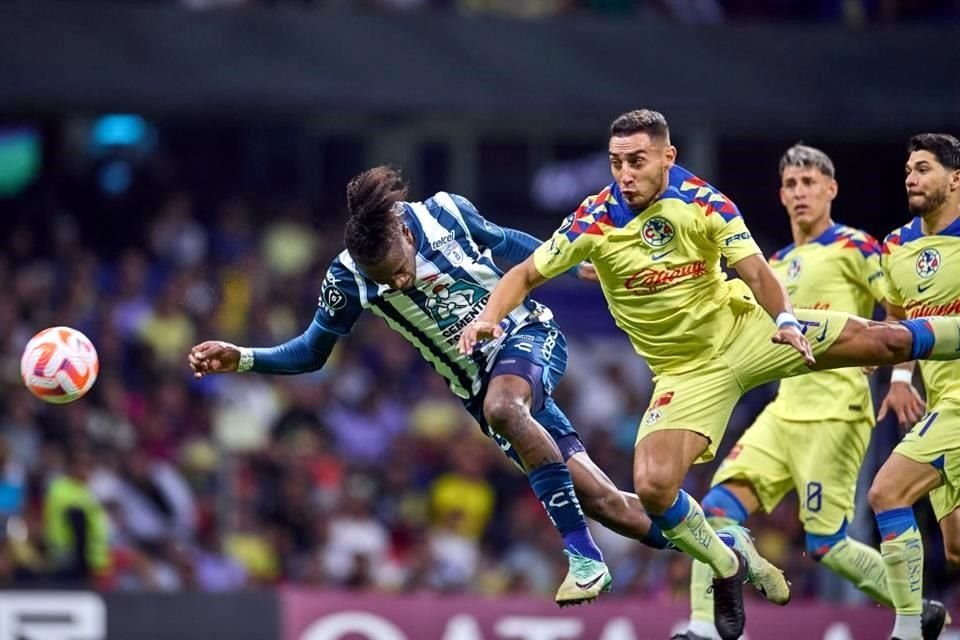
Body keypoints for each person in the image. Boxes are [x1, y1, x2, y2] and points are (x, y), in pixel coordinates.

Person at [458, 109, 960, 640]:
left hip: (748, 331)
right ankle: (726, 566)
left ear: (667, 157)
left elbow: (756, 271)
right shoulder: (594, 219)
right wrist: (490, 317)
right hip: (685, 372)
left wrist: (787, 320)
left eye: (637, 161)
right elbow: (524, 272)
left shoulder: (702, 200)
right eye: (616, 163)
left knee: (884, 340)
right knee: (652, 487)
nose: (625, 174)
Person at [188, 165, 674, 607]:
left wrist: (575, 266)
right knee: (606, 503)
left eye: (399, 266)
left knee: (505, 406)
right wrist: (246, 357)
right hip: (477, 386)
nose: (399, 282)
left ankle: (584, 559)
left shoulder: (446, 212)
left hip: (526, 335)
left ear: (403, 229)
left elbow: (509, 245)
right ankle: (713, 543)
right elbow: (313, 351)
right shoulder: (348, 277)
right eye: (386, 279)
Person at [677, 144, 947, 640]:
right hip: (783, 412)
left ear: (831, 190)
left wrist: (898, 369)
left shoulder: (858, 248)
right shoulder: (773, 264)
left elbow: (901, 308)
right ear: (781, 194)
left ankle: (919, 607)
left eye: (809, 183)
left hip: (835, 413)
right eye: (792, 185)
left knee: (827, 542)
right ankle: (702, 628)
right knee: (715, 507)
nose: (800, 193)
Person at [868, 133, 960, 640]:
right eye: (908, 169)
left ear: (955, 179)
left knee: (886, 491)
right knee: (955, 549)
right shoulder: (898, 246)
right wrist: (900, 377)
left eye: (923, 168)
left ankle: (907, 629)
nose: (911, 177)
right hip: (941, 399)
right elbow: (898, 316)